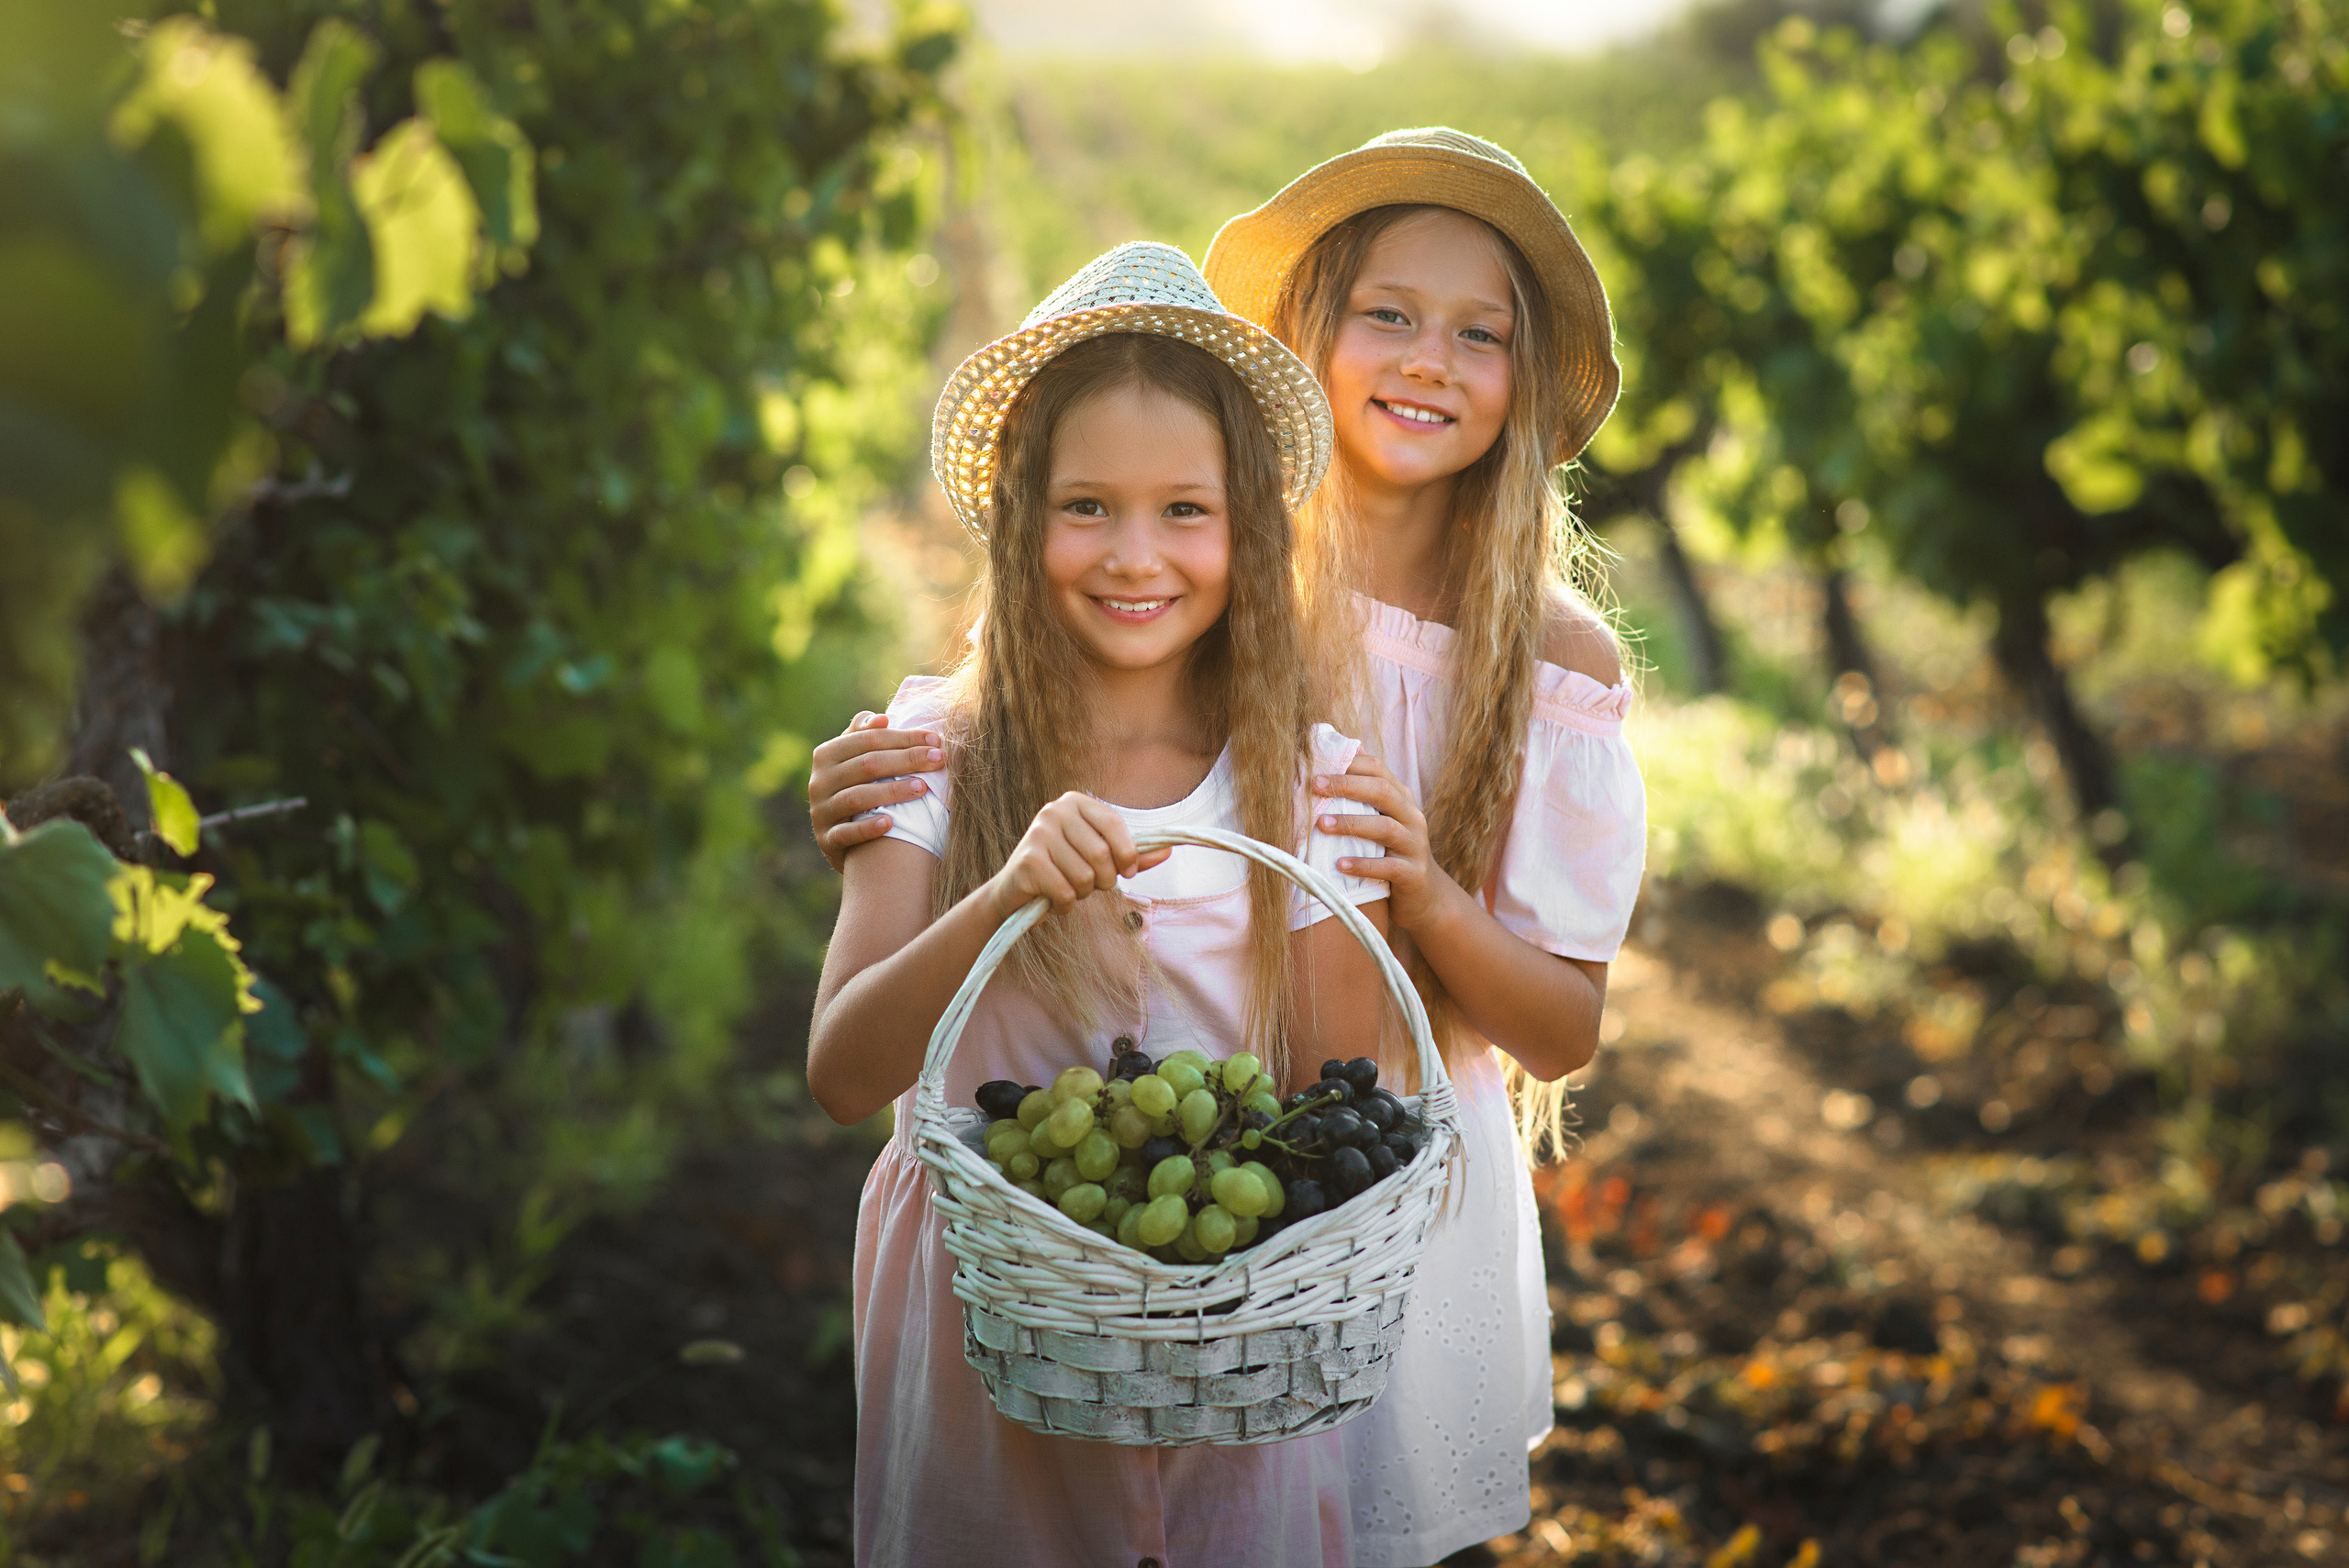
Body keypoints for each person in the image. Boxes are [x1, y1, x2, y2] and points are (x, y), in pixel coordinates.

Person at [808, 129, 1647, 1565]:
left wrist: (1419, 891)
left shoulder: (1487, 676)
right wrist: (895, 786)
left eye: (1477, 332)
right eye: (1387, 311)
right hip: (1064, 1248)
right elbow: (998, 712)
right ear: (1311, 332)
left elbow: (1473, 1036)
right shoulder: (1205, 606)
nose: (1428, 358)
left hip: (1338, 1191)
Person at [810, 242, 1393, 1568]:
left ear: (1249, 524)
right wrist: (1005, 889)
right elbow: (844, 1071)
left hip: (1229, 1350)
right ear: (1022, 517)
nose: (1138, 555)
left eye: (1186, 509)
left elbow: (1333, 1097)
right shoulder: (931, 753)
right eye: (1089, 506)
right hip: (985, 1329)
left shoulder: (1307, 787)